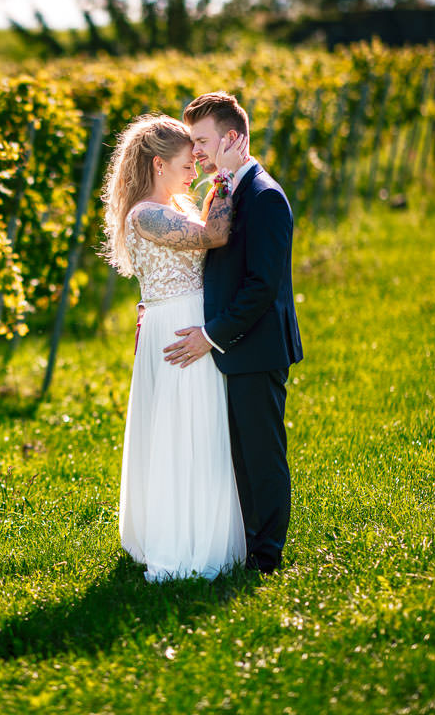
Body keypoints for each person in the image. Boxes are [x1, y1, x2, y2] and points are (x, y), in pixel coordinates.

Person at [100, 113, 249, 582]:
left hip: (185, 320)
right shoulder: (146, 213)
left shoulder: (174, 205)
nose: (194, 171)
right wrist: (227, 177)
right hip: (177, 327)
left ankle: (202, 528)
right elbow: (214, 235)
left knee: (199, 429)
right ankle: (181, 542)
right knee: (183, 430)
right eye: (187, 165)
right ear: (157, 164)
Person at [164, 92, 304, 574]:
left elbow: (262, 286)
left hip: (257, 348)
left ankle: (267, 556)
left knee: (261, 454)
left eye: (202, 141)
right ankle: (245, 543)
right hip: (234, 348)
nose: (195, 152)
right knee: (239, 454)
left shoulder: (264, 197)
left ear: (232, 138)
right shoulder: (225, 190)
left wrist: (210, 335)